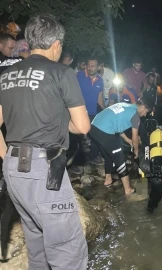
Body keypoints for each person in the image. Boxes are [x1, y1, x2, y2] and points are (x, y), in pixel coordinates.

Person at [0, 14, 90, 269]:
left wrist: (8, 156)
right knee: (67, 250)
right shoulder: (62, 72)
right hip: (45, 170)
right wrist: (65, 124)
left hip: (13, 170)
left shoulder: (7, 73)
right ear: (57, 45)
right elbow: (82, 126)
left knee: (37, 246)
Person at [89, 99, 152, 191]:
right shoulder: (135, 116)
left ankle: (108, 179)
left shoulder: (125, 105)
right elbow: (135, 137)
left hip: (93, 127)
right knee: (119, 158)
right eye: (146, 112)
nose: (145, 115)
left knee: (108, 155)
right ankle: (128, 189)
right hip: (105, 131)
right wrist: (137, 151)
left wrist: (126, 139)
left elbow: (117, 124)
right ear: (142, 107)